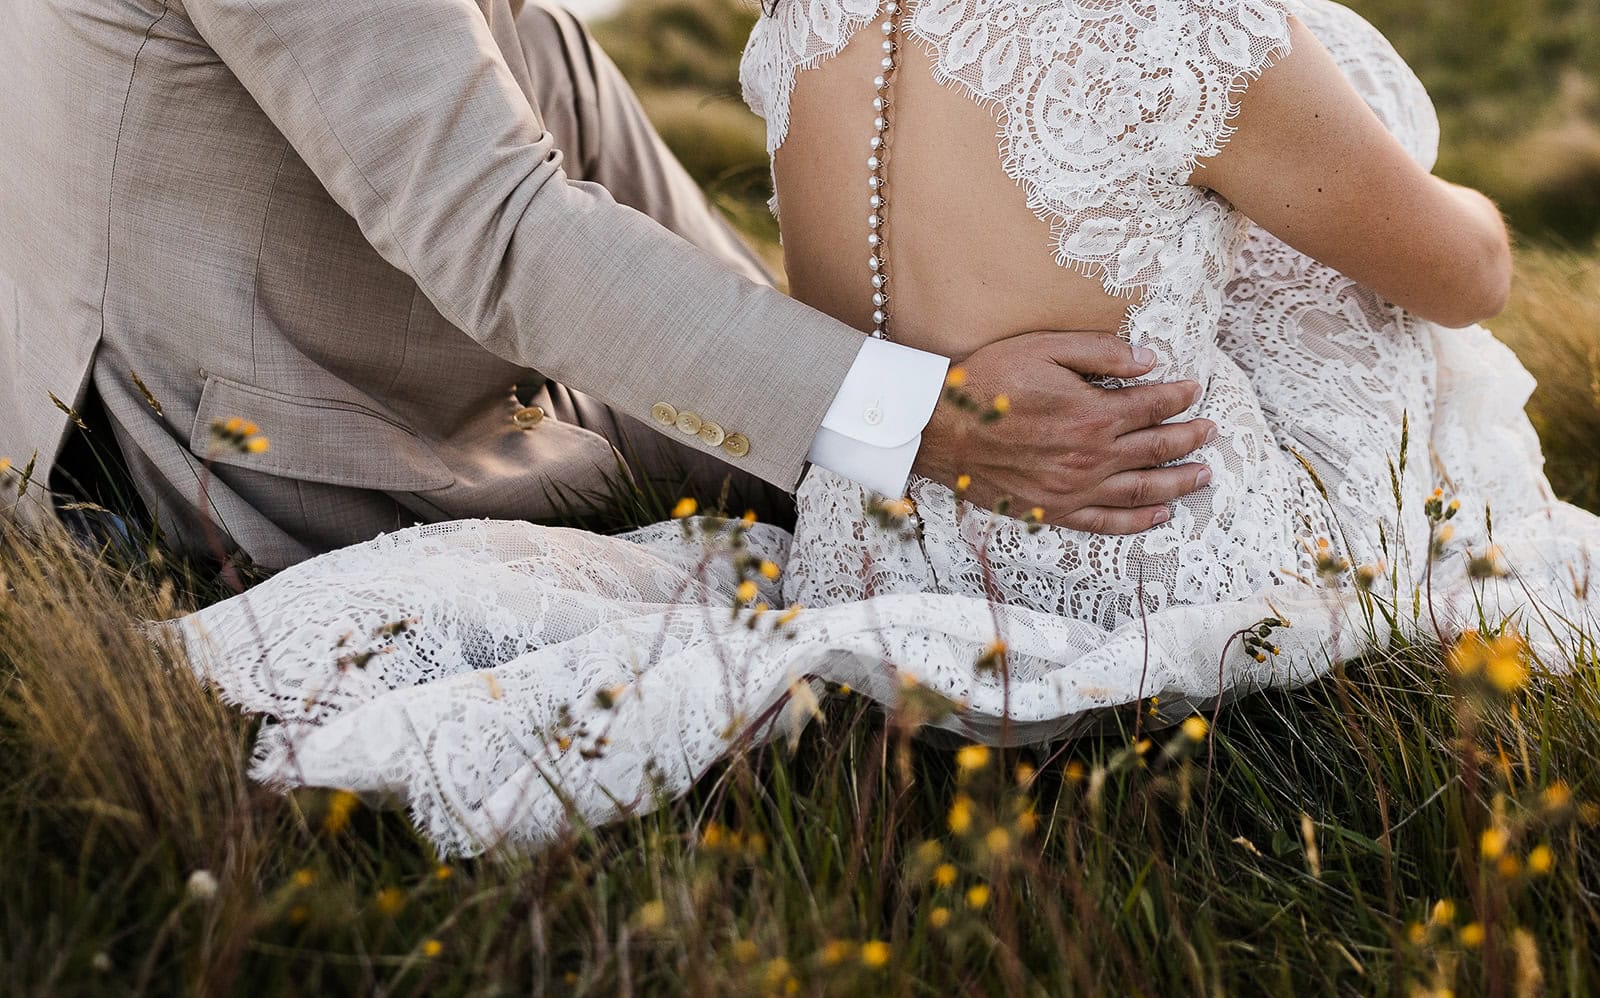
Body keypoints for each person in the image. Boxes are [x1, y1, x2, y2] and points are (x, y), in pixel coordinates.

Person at [171, 0, 1600, 856]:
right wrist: (1429, 179)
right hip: (1130, 538)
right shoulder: (1172, 25)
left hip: (868, 556)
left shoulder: (804, 28)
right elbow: (1466, 275)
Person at [0, 0, 1214, 572]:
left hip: (389, 319)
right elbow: (503, 232)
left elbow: (544, 86)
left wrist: (840, 417)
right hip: (235, 438)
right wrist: (935, 426)